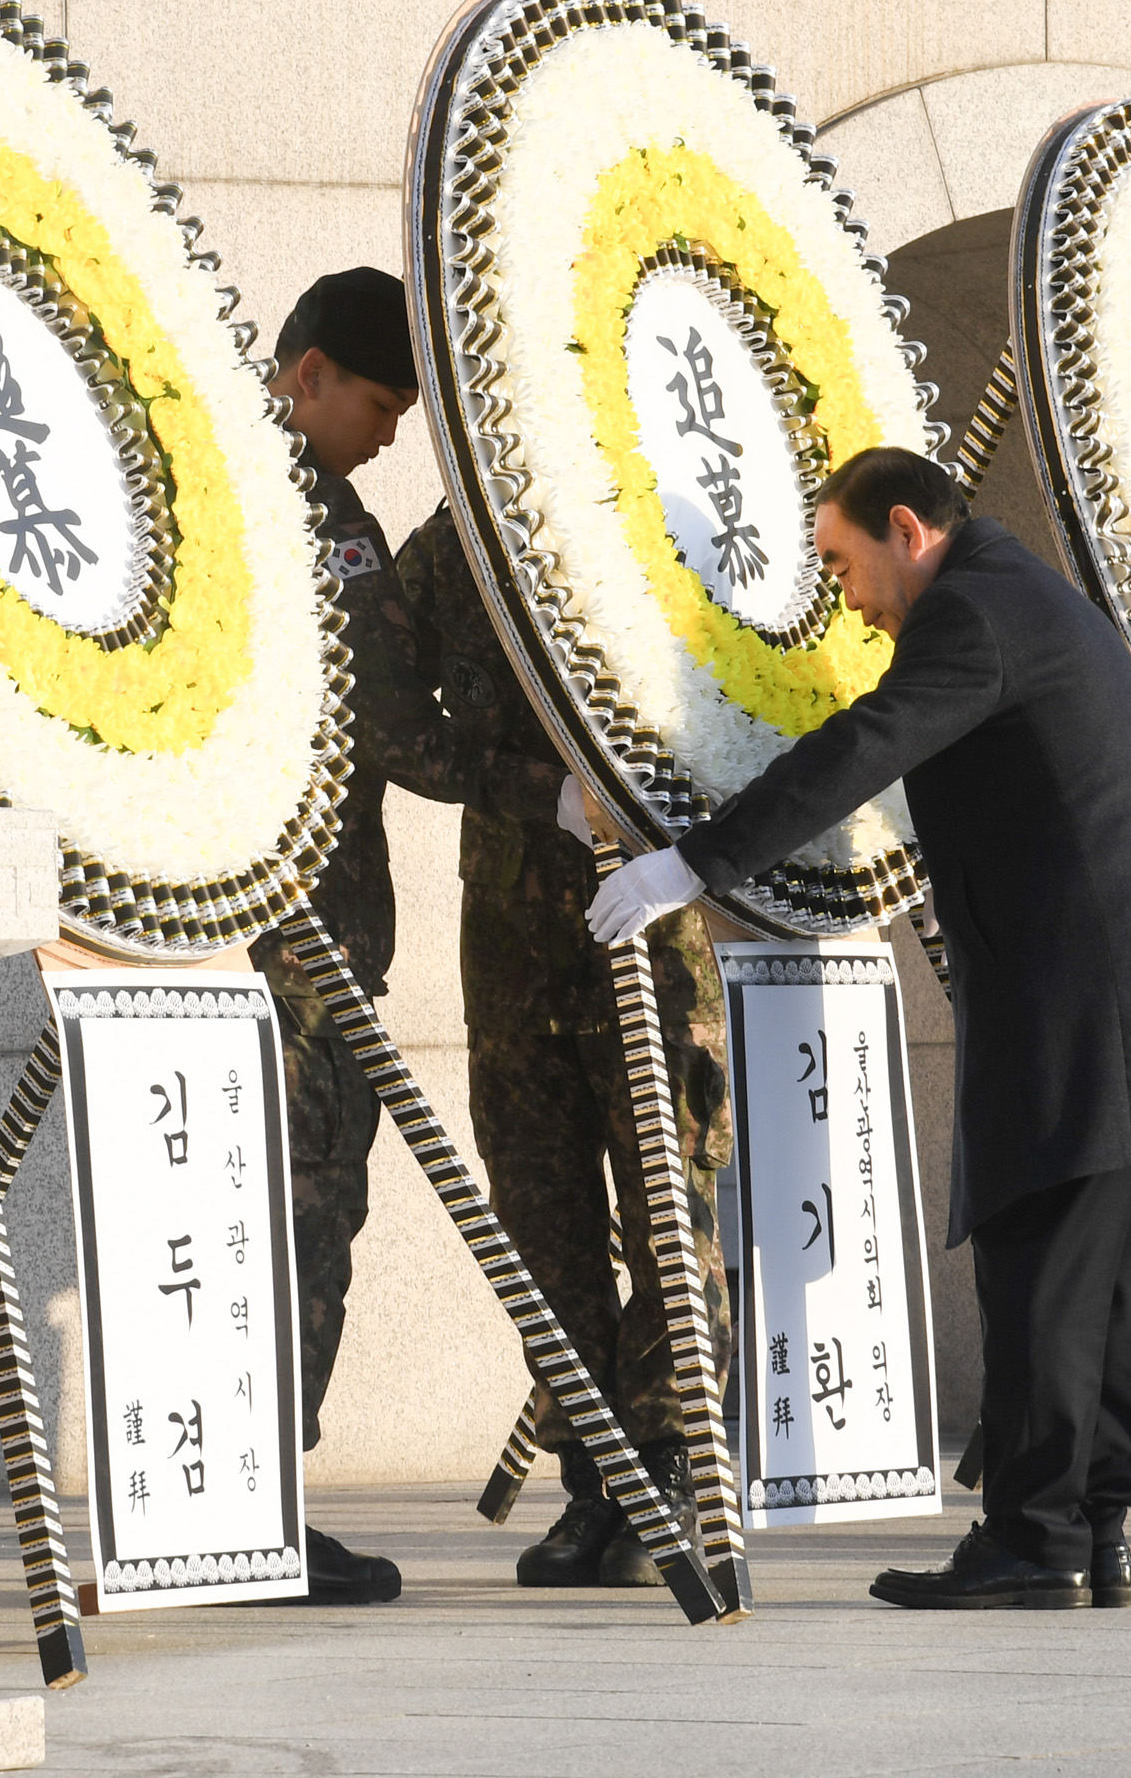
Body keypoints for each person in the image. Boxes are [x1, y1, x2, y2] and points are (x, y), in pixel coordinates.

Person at [590, 449, 1131, 1611]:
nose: (843, 597)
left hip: (1085, 1015)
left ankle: (1033, 1541)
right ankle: (1096, 1531)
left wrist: (691, 864)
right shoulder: (1038, 597)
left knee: (1046, 1279)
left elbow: (861, 748)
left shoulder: (974, 613)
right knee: (1113, 1293)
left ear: (906, 530)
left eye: (842, 563)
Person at [379, 505, 735, 1590]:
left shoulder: (647, 512)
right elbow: (385, 709)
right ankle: (596, 1475)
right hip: (512, 936)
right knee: (544, 1220)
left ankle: (669, 1468)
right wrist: (535, 790)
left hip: (649, 931)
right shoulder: (455, 545)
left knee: (670, 1210)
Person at [247, 268, 439, 1602]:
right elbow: (393, 724)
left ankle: (227, 1503)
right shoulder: (314, 515)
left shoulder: (199, 478)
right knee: (306, 1203)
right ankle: (262, 1509)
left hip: (226, 924)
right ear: (309, 373)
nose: (385, 437)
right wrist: (543, 779)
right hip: (304, 941)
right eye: (376, 406)